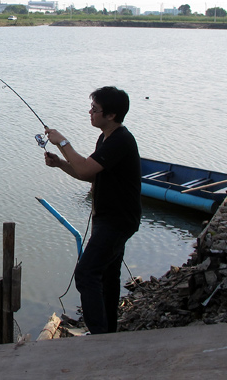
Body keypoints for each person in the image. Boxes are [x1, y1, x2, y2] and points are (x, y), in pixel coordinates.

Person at [43, 86, 141, 334]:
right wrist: (61, 165)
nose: (90, 112)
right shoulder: (105, 138)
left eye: (95, 109)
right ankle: (107, 332)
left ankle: (98, 336)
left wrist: (63, 142)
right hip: (107, 219)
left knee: (86, 274)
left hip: (117, 221)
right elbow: (90, 175)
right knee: (107, 276)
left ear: (111, 115)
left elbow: (86, 169)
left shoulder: (121, 140)